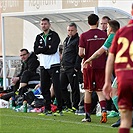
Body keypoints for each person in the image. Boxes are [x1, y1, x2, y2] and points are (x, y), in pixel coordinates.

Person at [103, 3, 133, 133]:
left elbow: (110, 58)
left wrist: (107, 82)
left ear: (131, 11)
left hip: (124, 78)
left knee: (126, 120)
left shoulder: (121, 32)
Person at [79, 14, 108, 123]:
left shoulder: (84, 35)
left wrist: (85, 57)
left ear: (88, 22)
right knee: (100, 90)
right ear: (97, 22)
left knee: (88, 90)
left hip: (88, 66)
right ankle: (104, 111)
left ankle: (87, 116)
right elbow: (107, 51)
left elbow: (80, 53)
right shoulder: (103, 35)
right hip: (101, 65)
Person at [34, 17, 63, 116]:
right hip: (43, 65)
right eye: (42, 24)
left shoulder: (54, 35)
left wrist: (42, 48)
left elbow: (53, 50)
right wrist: (46, 47)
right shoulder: (39, 37)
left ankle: (60, 108)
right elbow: (36, 51)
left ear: (49, 25)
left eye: (45, 24)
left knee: (56, 86)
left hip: (54, 64)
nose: (43, 25)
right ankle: (47, 108)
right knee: (44, 87)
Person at [60, 22, 82, 112]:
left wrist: (76, 66)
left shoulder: (78, 40)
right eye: (69, 30)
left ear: (76, 30)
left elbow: (79, 54)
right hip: (64, 67)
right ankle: (68, 105)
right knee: (61, 87)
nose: (70, 32)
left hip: (72, 67)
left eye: (72, 30)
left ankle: (75, 106)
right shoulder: (66, 39)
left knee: (74, 88)